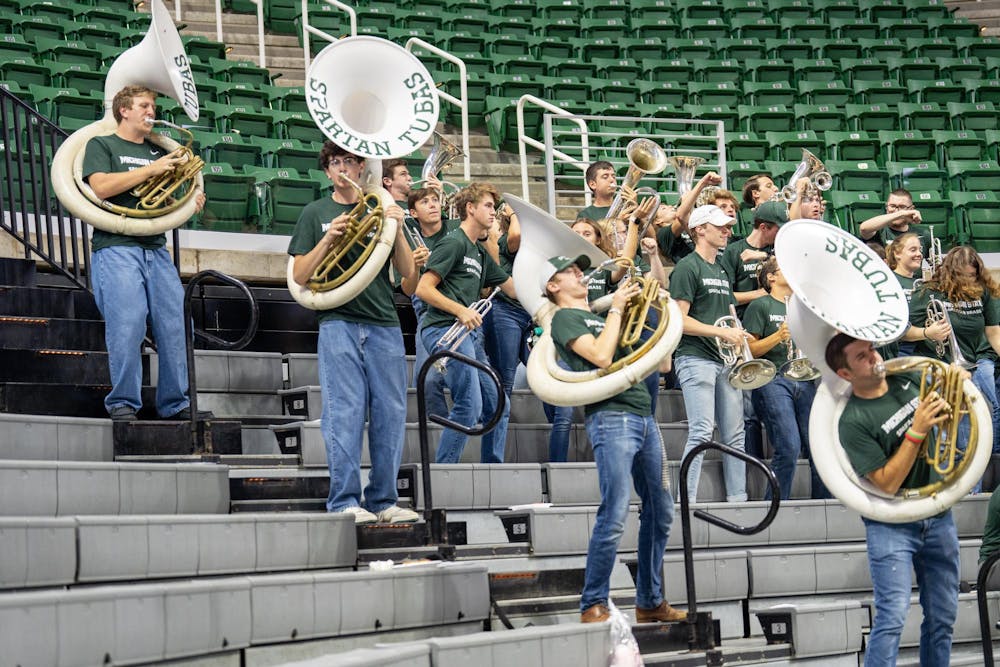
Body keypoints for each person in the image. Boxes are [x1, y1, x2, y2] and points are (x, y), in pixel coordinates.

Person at [543, 254, 685, 625]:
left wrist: (656, 311)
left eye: (580, 269)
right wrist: (619, 309)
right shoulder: (565, 318)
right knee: (616, 509)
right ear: (553, 286)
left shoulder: (604, 316)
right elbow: (602, 357)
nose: (580, 273)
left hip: (643, 414)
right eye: (570, 271)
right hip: (610, 415)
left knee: (662, 510)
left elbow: (664, 365)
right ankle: (593, 601)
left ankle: (650, 600)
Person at [288, 141, 418, 525]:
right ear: (327, 171)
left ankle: (383, 500)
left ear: (362, 167)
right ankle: (344, 499)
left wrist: (398, 226)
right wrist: (330, 238)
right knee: (344, 414)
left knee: (391, 414)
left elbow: (408, 273)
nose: (343, 168)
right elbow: (299, 274)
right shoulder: (316, 212)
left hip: (383, 322)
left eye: (349, 161)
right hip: (337, 321)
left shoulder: (380, 208)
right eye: (335, 163)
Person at [826, 333, 959, 666]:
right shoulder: (852, 421)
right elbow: (887, 482)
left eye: (870, 349)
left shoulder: (907, 378)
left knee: (943, 619)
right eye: (861, 357)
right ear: (845, 375)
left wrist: (957, 385)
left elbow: (947, 403)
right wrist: (917, 430)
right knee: (892, 619)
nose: (873, 357)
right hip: (890, 524)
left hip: (938, 514)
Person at [83, 84, 208, 422]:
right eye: (143, 105)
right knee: (128, 323)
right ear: (123, 110)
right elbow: (101, 187)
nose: (151, 111)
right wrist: (151, 171)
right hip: (117, 246)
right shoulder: (102, 144)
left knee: (176, 325)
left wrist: (186, 201)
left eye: (152, 106)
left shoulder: (157, 151)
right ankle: (123, 402)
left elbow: (161, 199)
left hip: (155, 246)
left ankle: (176, 402)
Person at [416, 182, 517, 464]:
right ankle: (442, 473)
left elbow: (512, 288)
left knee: (499, 404)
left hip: (468, 335)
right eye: (487, 206)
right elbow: (423, 289)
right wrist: (461, 310)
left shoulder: (479, 251)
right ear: (470, 208)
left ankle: (491, 471)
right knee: (468, 407)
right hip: (445, 329)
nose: (494, 212)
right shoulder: (454, 242)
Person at [668, 204, 748, 503]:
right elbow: (680, 320)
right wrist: (721, 332)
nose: (728, 231)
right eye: (721, 226)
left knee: (735, 435)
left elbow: (725, 314)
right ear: (700, 229)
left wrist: (737, 334)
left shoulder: (722, 269)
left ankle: (738, 501)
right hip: (695, 357)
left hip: (725, 359)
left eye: (728, 227)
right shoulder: (688, 267)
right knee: (701, 431)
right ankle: (685, 502)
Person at [744, 256, 827, 500]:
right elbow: (750, 352)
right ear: (770, 278)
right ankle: (776, 506)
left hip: (805, 378)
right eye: (784, 269)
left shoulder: (804, 307)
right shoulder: (761, 306)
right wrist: (778, 336)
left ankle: (823, 506)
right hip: (773, 379)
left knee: (818, 447)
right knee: (789, 446)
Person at [908, 246, 1000, 462]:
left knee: (970, 434)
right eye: (963, 276)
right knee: (942, 430)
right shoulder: (928, 292)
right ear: (951, 271)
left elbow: (993, 331)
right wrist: (927, 333)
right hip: (936, 368)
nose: (969, 280)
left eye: (972, 275)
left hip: (969, 368)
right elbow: (904, 331)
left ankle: (971, 491)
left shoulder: (983, 290)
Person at [406, 186, 458, 419]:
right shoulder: (410, 243)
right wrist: (415, 267)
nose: (433, 205)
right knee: (426, 379)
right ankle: (442, 428)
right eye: (425, 202)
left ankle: (466, 422)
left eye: (435, 200)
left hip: (462, 306)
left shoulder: (457, 228)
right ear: (413, 213)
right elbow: (409, 289)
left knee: (468, 378)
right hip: (429, 312)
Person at [858, 189, 932, 255]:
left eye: (902, 207)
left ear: (911, 209)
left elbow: (936, 263)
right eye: (892, 206)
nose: (896, 210)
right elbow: (864, 228)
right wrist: (901, 213)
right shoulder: (879, 231)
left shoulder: (923, 234)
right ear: (887, 207)